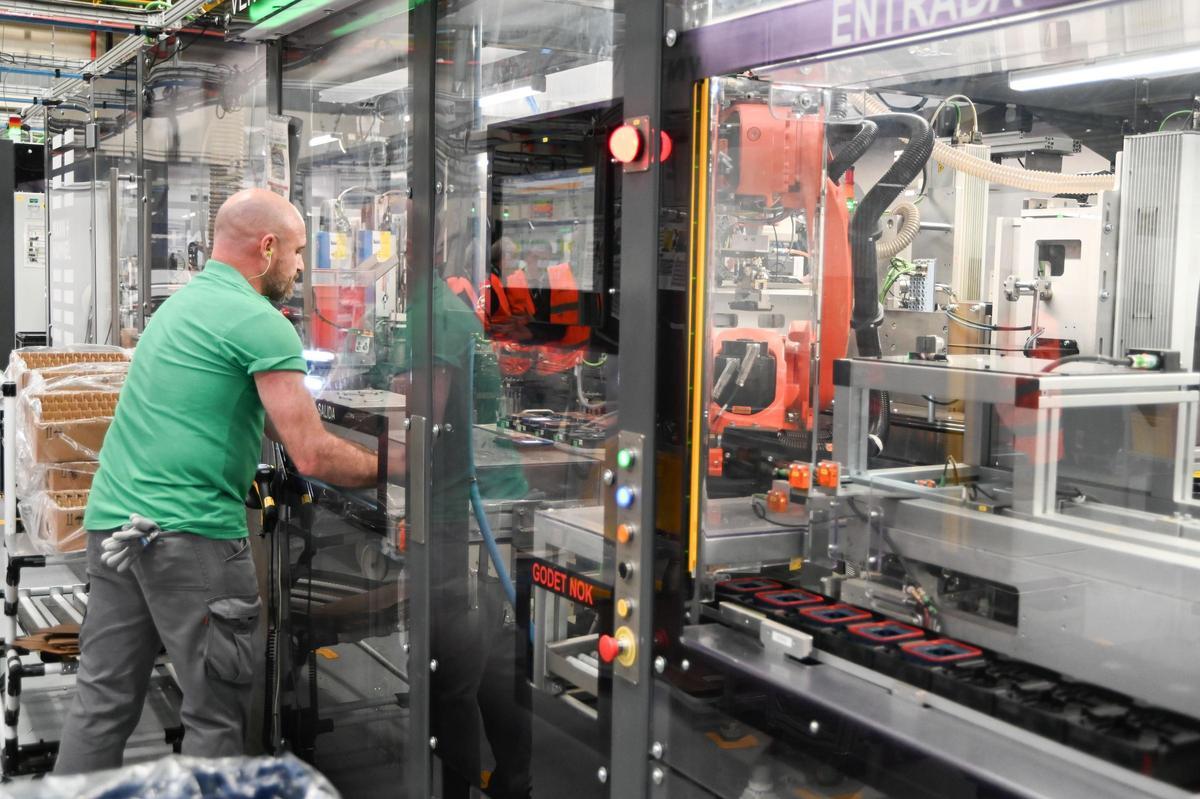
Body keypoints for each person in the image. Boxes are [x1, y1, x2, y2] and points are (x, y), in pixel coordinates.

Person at [55, 189, 392, 773]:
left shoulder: (177, 310)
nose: (298, 265)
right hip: (190, 539)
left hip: (114, 526)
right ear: (266, 249)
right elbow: (312, 455)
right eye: (295, 252)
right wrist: (398, 465)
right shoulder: (263, 323)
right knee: (215, 714)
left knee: (102, 702)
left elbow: (225, 407)